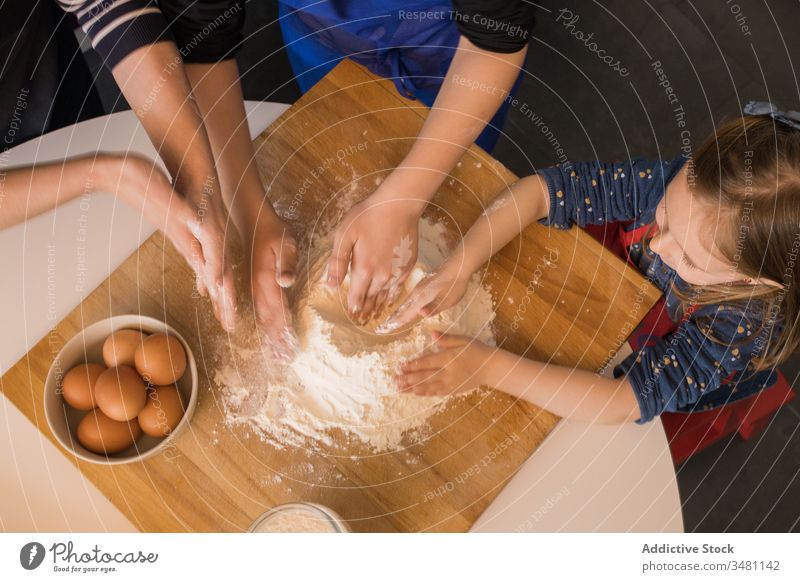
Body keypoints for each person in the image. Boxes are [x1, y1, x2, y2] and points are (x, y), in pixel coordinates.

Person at [390, 103, 800, 424]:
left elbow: (621, 403)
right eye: (664, 215)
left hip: (654, 364)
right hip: (608, 290)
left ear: (752, 277)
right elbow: (541, 192)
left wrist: (488, 368)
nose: (657, 245)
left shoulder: (744, 326)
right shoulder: (679, 186)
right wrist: (460, 265)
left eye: (690, 259)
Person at [280, 1, 537, 322]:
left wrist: (403, 200)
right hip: (322, 41)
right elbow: (205, 36)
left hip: (453, 62)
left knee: (460, 188)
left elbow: (494, 39)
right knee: (339, 150)